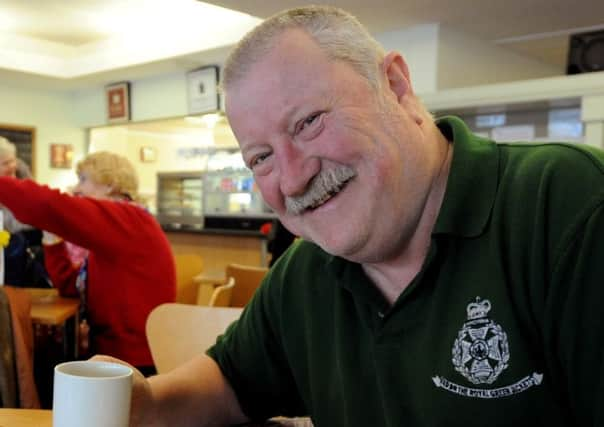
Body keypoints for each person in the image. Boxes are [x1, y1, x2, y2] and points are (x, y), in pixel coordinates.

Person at [94, 5, 604, 427]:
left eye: (310, 122)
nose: (292, 180)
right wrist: (146, 403)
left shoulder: (567, 206)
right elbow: (230, 383)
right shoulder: (307, 271)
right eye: (261, 157)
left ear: (397, 86)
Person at [0, 151, 176, 375]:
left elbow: (48, 204)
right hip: (120, 354)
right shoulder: (124, 226)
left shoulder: (130, 219)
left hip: (132, 362)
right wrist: (53, 243)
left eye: (83, 179)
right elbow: (72, 287)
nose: (76, 189)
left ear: (110, 184)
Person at [0, 136, 50, 288]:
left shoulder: (26, 181)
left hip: (29, 252)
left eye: (13, 160)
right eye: (5, 163)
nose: (12, 166)